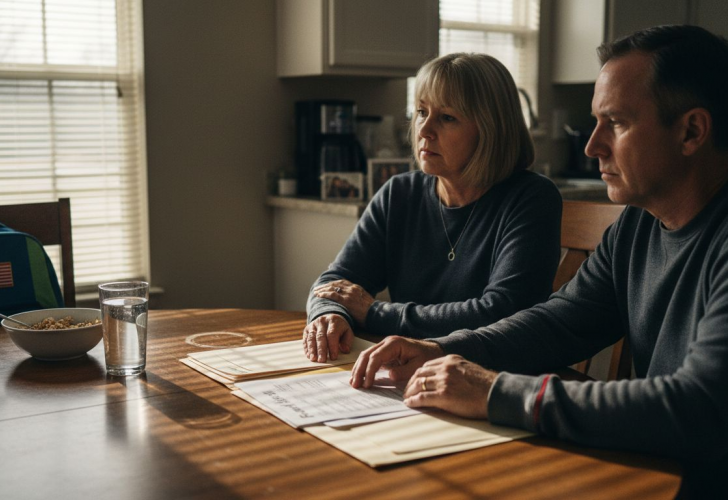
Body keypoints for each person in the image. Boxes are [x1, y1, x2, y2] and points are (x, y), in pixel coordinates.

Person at [350, 25, 728, 495]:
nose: (592, 146)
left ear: (691, 131)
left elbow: (701, 409)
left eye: (616, 122)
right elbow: (560, 322)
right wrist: (444, 349)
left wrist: (494, 392)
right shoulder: (638, 225)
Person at [303, 53, 562, 362]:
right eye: (421, 112)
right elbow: (335, 282)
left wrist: (376, 313)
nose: (424, 130)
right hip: (409, 369)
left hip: (492, 379)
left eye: (447, 118)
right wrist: (330, 315)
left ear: (491, 129)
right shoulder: (400, 192)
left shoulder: (531, 198)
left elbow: (502, 311)